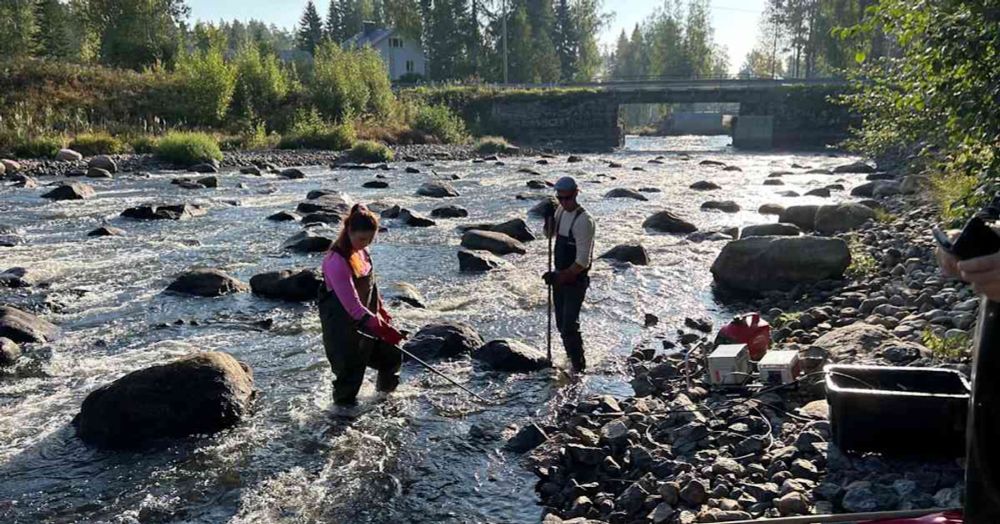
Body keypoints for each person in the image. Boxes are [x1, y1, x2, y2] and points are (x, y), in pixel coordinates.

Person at [318, 204, 405, 407]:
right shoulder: (336, 262)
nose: (365, 243)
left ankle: (383, 400)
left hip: (367, 322)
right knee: (349, 381)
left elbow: (372, 286)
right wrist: (380, 327)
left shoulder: (363, 251)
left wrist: (381, 311)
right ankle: (339, 422)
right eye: (362, 239)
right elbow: (353, 307)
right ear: (349, 232)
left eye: (370, 239)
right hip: (343, 330)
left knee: (391, 357)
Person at [543, 176, 596, 373]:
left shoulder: (584, 221)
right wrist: (548, 220)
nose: (564, 203)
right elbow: (550, 235)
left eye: (568, 198)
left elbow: (583, 262)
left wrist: (559, 277)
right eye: (560, 198)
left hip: (575, 279)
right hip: (560, 276)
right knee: (560, 324)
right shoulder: (560, 211)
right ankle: (570, 359)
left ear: (576, 193)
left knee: (569, 326)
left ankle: (579, 367)